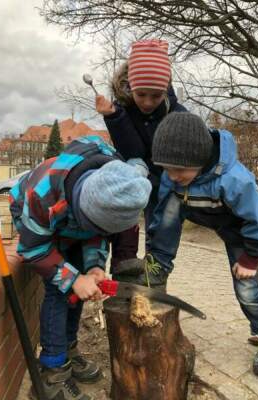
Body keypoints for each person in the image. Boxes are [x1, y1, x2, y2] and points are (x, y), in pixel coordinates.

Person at [9, 135, 151, 400]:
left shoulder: (115, 183)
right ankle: (52, 371)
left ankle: (68, 350)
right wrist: (73, 278)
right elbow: (32, 249)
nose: (95, 232)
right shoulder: (42, 196)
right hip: (34, 215)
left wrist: (95, 267)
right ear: (81, 208)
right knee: (58, 289)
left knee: (79, 286)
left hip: (72, 214)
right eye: (92, 225)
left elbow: (96, 234)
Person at [146, 112, 258, 378]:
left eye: (179, 170)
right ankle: (159, 264)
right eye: (167, 168)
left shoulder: (234, 180)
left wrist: (251, 259)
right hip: (211, 218)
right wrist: (154, 247)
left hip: (242, 231)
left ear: (200, 159)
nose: (172, 176)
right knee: (169, 206)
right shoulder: (174, 175)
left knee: (246, 289)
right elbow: (162, 214)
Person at [96, 39, 187, 285]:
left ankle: (156, 273)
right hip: (134, 173)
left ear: (166, 89)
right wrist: (114, 118)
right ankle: (124, 265)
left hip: (165, 179)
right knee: (124, 213)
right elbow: (133, 151)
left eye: (155, 96)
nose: (147, 102)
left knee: (164, 225)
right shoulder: (122, 109)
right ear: (130, 89)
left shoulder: (177, 114)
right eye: (141, 95)